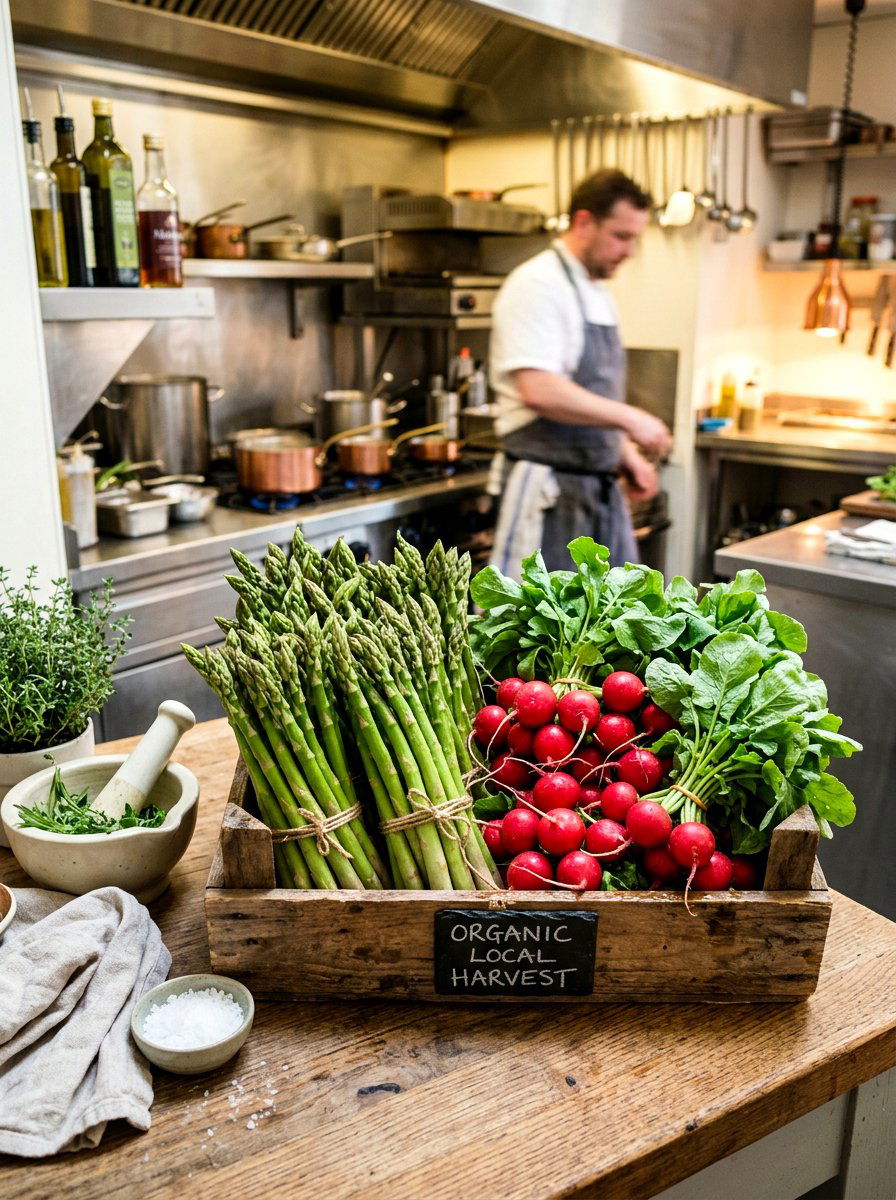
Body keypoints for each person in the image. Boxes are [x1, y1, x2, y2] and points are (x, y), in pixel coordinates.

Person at [488, 168, 673, 575]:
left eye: (635, 239)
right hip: (549, 495)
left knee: (615, 610)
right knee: (540, 615)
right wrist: (631, 419)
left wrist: (624, 453)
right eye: (621, 236)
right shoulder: (537, 285)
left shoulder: (596, 292)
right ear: (584, 222)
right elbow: (538, 389)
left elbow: (590, 397)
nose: (630, 251)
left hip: (596, 490)